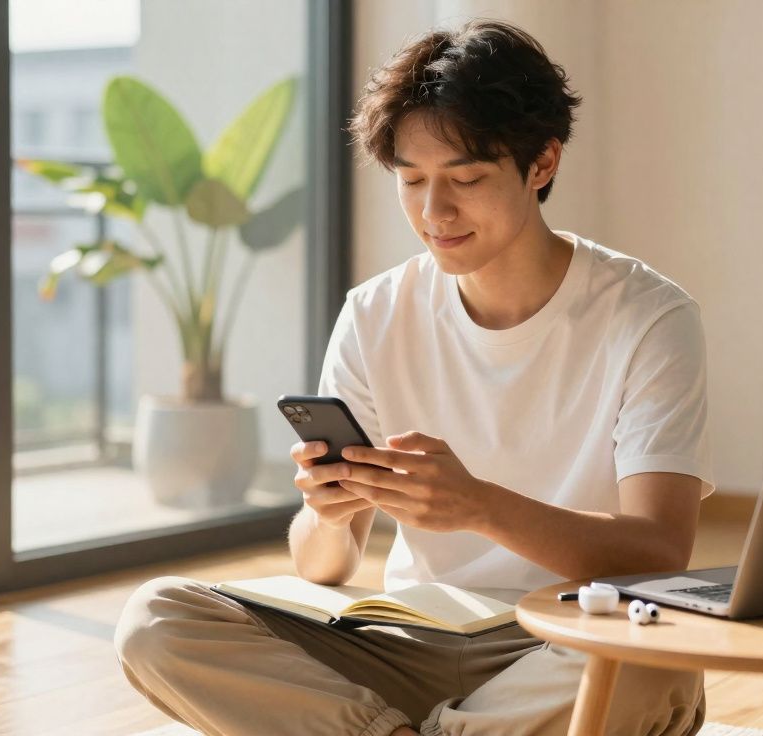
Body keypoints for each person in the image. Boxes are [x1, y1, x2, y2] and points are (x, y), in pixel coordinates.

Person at [115, 18, 713, 736]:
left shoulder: (648, 316)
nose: (435, 213)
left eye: (466, 179)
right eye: (412, 181)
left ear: (543, 163)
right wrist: (328, 514)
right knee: (156, 618)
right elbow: (323, 568)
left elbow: (659, 550)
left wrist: (479, 506)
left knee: (659, 656)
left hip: (564, 636)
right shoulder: (375, 313)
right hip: (407, 640)